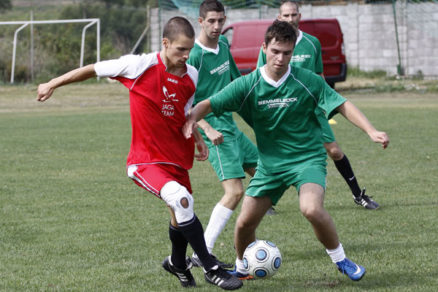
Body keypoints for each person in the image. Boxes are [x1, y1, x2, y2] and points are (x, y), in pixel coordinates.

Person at [36, 16, 242, 291]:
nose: (186, 55)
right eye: (180, 49)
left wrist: (197, 138)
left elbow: (185, 111)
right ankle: (210, 266)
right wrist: (52, 83)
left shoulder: (191, 75)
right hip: (145, 161)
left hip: (176, 158)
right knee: (181, 201)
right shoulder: (139, 65)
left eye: (190, 49)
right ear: (165, 43)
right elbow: (93, 69)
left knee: (179, 213)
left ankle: (177, 263)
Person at [183, 20, 389, 281]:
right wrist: (192, 120)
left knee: (311, 209)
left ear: (292, 52)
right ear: (264, 48)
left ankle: (341, 260)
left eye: (287, 53)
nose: (280, 58)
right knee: (244, 223)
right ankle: (243, 267)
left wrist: (371, 131)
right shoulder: (248, 85)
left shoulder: (307, 81)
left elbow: (342, 104)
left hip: (307, 160)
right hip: (270, 165)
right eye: (275, 51)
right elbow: (208, 104)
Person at [257, 0, 380, 210]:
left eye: (293, 14)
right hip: (282, 110)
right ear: (279, 18)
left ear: (300, 16)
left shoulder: (312, 43)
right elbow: (262, 78)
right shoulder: (271, 46)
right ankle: (263, 199)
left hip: (311, 110)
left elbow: (319, 76)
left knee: (334, 151)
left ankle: (358, 195)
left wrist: (326, 103)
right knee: (274, 153)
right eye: (285, 16)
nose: (290, 19)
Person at [186, 0, 259, 268]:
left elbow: (234, 81)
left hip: (231, 125)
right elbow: (187, 103)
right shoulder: (194, 56)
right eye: (211, 21)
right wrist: (206, 128)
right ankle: (202, 252)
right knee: (234, 192)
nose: (217, 27)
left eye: (221, 21)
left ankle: (250, 240)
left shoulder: (224, 45)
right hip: (214, 129)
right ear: (200, 21)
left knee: (268, 172)